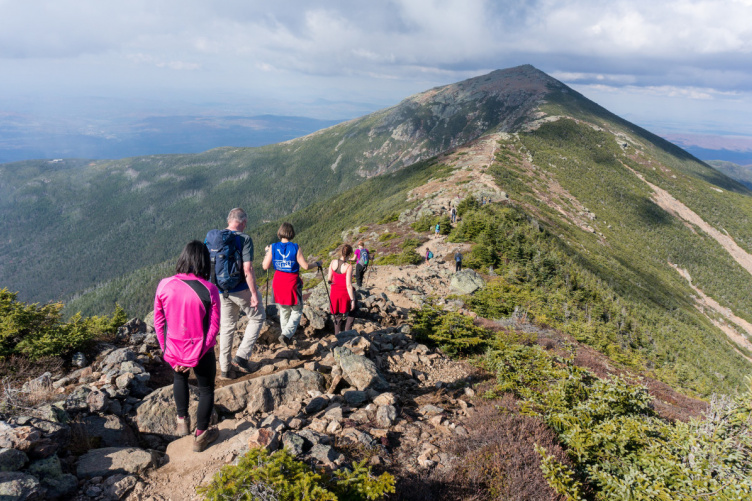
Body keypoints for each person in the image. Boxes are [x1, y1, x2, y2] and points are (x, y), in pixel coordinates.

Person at [153, 241, 220, 452]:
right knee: (207, 389)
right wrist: (199, 352)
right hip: (201, 350)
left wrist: (168, 353)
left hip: (174, 347)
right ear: (203, 262)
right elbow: (214, 326)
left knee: (179, 377)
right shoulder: (209, 290)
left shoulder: (164, 284)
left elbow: (159, 321)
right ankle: (200, 436)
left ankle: (182, 420)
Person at [205, 208, 264, 380]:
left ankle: (224, 368)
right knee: (258, 316)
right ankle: (242, 357)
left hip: (219, 290)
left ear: (228, 220)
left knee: (227, 327)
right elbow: (248, 268)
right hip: (240, 289)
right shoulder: (244, 239)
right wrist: (253, 293)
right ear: (243, 222)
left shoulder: (212, 238)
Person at [262, 222, 320, 346]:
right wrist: (316, 264)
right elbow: (305, 266)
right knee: (297, 310)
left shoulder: (273, 247)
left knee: (283, 311)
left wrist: (267, 252)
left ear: (280, 232)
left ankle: (285, 336)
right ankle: (286, 335)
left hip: (278, 282)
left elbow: (265, 266)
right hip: (292, 282)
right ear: (292, 233)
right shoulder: (295, 247)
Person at [328, 245, 356, 335]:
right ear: (350, 254)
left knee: (337, 316)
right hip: (344, 293)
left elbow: (329, 279)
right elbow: (348, 285)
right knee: (352, 311)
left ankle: (337, 336)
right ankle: (347, 333)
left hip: (334, 293)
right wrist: (352, 300)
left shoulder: (332, 262)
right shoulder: (348, 267)